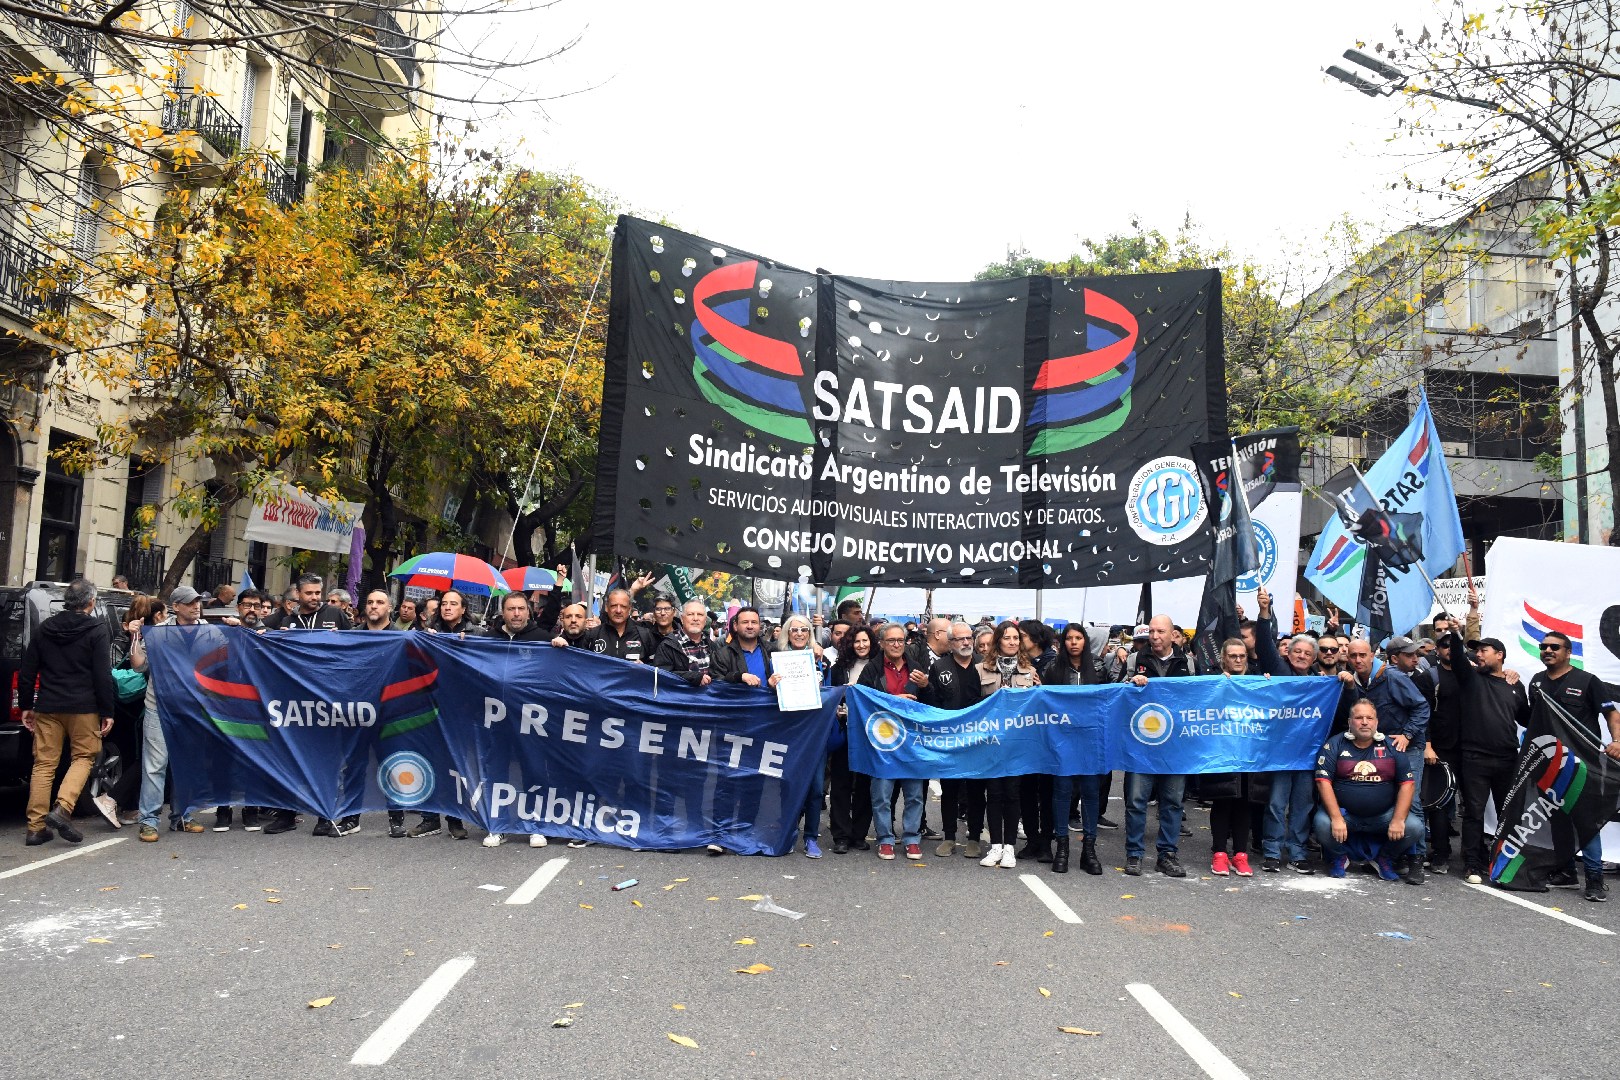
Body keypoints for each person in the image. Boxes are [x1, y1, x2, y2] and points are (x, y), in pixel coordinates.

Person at [19, 578, 116, 846]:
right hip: (84, 706)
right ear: (91, 602)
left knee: (44, 764)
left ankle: (35, 827)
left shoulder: (44, 628)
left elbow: (28, 671)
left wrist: (27, 705)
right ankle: (63, 808)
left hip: (49, 705)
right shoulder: (97, 629)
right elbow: (102, 675)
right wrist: (108, 710)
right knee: (84, 757)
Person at [1526, 630, 1620, 902]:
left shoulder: (1588, 681)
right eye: (1543, 646)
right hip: (1549, 764)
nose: (1548, 650)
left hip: (1583, 765)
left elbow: (1611, 714)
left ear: (1568, 652)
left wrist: (1617, 740)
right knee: (1557, 818)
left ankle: (1594, 878)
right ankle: (1566, 872)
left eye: (1555, 647)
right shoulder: (1536, 682)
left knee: (1585, 821)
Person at [1340, 637, 1430, 884]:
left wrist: (1408, 734)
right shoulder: (1355, 679)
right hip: (1380, 747)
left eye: (1362, 655)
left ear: (1372, 656)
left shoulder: (1393, 676)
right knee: (1388, 800)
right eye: (1353, 656)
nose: (1358, 660)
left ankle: (1417, 859)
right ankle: (1395, 854)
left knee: (1410, 802)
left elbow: (1422, 707)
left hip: (1406, 745)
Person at [1444, 634, 1528, 884]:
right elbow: (1459, 660)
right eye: (1476, 651)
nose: (1478, 655)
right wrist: (1456, 633)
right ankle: (1472, 864)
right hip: (1474, 758)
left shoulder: (1515, 684)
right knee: (1474, 813)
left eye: (1484, 651)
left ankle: (1505, 862)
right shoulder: (1471, 678)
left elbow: (1527, 718)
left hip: (1507, 759)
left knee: (1508, 813)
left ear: (1499, 655)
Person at [1313, 700, 1425, 880]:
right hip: (1346, 816)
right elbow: (1323, 782)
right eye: (1359, 718)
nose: (1364, 722)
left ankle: (1385, 858)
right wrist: (1336, 818)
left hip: (1383, 816)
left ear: (1376, 722)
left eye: (1369, 718)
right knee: (1322, 823)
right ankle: (1339, 857)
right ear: (1350, 722)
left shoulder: (1392, 747)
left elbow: (1407, 785)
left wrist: (1397, 820)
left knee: (1414, 826)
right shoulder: (1334, 745)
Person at [128, 585, 206, 841]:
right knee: (155, 766)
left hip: (192, 710)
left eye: (197, 602)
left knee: (187, 764)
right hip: (159, 707)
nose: (196, 606)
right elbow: (139, 666)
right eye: (190, 602)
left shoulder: (209, 632)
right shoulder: (159, 633)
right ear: (176, 607)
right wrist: (136, 637)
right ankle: (149, 821)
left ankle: (182, 816)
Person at [1253, 587, 1321, 874]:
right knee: (1276, 803)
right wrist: (1264, 613)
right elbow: (1266, 647)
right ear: (1289, 654)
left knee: (1303, 806)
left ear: (1313, 658)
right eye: (1297, 651)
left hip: (1307, 754)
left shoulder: (1321, 683)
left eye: (1307, 653)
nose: (1302, 656)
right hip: (1281, 752)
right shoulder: (1279, 672)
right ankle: (1271, 851)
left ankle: (1296, 851)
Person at [1123, 614, 1197, 877]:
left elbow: (1199, 696)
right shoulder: (1135, 660)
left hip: (1175, 745)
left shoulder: (1187, 662)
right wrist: (1130, 684)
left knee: (1173, 801)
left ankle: (1167, 854)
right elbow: (1117, 694)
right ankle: (1134, 854)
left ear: (1172, 634)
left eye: (1160, 632)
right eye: (1151, 631)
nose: (1155, 636)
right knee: (1136, 800)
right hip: (1141, 743)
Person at [1042, 623, 1106, 875]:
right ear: (1063, 642)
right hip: (1062, 740)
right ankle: (1062, 848)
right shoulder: (1053, 669)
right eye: (1069, 638)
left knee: (1091, 791)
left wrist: (1135, 680)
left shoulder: (1099, 668)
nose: (1074, 642)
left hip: (1092, 739)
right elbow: (1043, 700)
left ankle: (1089, 850)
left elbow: (1116, 695)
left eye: (1079, 638)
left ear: (1085, 641)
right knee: (1062, 791)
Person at [858, 622, 926, 860]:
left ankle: (911, 838)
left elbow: (931, 703)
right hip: (883, 742)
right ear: (882, 644)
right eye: (891, 641)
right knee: (881, 795)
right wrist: (894, 699)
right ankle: (885, 838)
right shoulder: (871, 669)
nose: (896, 645)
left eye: (900, 640)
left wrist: (926, 686)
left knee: (915, 794)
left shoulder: (916, 667)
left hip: (911, 742)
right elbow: (864, 702)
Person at [976, 620, 1039, 869]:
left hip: (1017, 744)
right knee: (994, 793)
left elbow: (1036, 707)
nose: (1012, 642)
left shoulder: (1028, 671)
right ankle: (995, 846)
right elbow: (974, 705)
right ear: (998, 641)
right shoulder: (981, 669)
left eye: (1016, 638)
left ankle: (1010, 847)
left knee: (1013, 794)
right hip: (991, 742)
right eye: (1007, 638)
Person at [1204, 638, 1267, 877]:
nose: (1238, 660)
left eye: (1242, 656)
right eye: (1233, 656)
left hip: (1249, 751)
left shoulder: (1257, 681)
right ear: (1224, 658)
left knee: (1245, 801)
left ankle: (1240, 855)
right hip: (1221, 750)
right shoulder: (1212, 681)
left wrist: (1270, 685)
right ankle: (1219, 853)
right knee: (1222, 800)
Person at [927, 621, 984, 859]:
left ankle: (974, 838)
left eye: (969, 638)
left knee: (975, 789)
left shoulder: (983, 665)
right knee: (949, 788)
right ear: (950, 643)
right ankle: (949, 836)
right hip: (950, 739)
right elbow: (932, 701)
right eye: (960, 639)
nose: (966, 642)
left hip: (979, 738)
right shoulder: (940, 667)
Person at [776, 614, 828, 858]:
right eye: (794, 630)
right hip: (789, 733)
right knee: (788, 785)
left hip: (816, 733)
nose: (799, 634)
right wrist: (771, 683)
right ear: (787, 633)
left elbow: (830, 690)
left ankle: (811, 837)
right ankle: (788, 833)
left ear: (810, 633)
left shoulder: (821, 661)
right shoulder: (775, 661)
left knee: (816, 789)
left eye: (804, 630)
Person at [826, 626, 877, 855]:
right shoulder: (838, 669)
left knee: (865, 784)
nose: (861, 645)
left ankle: (859, 834)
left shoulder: (878, 668)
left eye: (865, 641)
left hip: (870, 732)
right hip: (844, 730)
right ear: (850, 644)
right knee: (840, 784)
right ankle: (841, 836)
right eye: (856, 641)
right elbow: (829, 693)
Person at [578, 588, 657, 662]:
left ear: (629, 609)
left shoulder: (644, 635)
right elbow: (582, 665)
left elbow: (656, 668)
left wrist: (644, 667)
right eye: (613, 606)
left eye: (623, 606)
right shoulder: (592, 635)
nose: (618, 611)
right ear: (606, 608)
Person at [653, 600, 715, 686]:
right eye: (690, 614)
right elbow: (661, 676)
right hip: (679, 698)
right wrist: (694, 677)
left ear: (705, 620)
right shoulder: (667, 646)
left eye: (700, 615)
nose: (695, 618)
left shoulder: (712, 646)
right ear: (682, 619)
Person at [711, 607, 776, 687]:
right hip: (738, 699)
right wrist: (738, 677)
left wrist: (773, 686)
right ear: (735, 626)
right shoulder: (722, 656)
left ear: (759, 626)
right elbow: (716, 684)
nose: (750, 626)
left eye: (754, 622)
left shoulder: (773, 651)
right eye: (745, 622)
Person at [264, 574, 352, 631]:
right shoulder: (287, 621)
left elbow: (352, 641)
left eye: (317, 593)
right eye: (309, 593)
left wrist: (339, 637)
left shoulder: (336, 614)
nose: (314, 597)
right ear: (298, 593)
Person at [484, 592, 548, 642]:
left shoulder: (543, 638)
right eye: (511, 609)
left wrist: (557, 646)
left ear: (528, 612)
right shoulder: (488, 638)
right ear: (503, 613)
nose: (516, 614)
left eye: (521, 608)